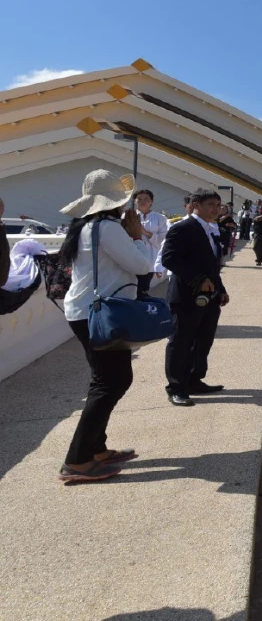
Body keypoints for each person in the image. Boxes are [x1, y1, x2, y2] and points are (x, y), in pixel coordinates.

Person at [56, 170, 155, 483]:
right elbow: (142, 266)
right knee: (112, 381)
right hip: (99, 315)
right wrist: (138, 234)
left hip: (87, 312)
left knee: (106, 380)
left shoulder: (88, 226)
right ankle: (77, 460)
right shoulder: (109, 228)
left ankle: (96, 449)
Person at [161, 187, 229, 407]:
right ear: (196, 205)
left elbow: (212, 264)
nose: (216, 210)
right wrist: (198, 280)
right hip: (186, 295)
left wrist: (221, 288)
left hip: (209, 296)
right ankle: (176, 387)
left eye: (218, 206)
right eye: (211, 205)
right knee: (180, 342)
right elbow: (170, 259)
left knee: (203, 340)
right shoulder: (183, 228)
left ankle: (193, 379)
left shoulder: (212, 229)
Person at [132, 189, 168, 297]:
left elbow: (163, 241)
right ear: (134, 201)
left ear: (151, 201)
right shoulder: (128, 216)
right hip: (130, 259)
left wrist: (145, 233)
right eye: (139, 198)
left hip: (149, 260)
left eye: (146, 199)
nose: (143, 201)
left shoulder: (160, 218)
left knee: (143, 289)